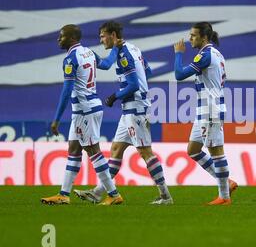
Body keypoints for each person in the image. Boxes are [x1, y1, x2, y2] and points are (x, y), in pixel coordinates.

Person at [73, 21, 173, 205]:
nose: (101, 39)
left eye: (103, 36)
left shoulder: (124, 54)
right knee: (116, 149)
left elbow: (133, 84)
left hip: (136, 108)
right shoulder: (133, 49)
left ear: (112, 35)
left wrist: (115, 96)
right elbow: (147, 70)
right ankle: (98, 192)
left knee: (145, 152)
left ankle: (165, 196)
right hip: (130, 107)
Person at [41, 24, 123, 206]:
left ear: (71, 38)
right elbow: (107, 64)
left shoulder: (70, 59)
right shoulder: (89, 53)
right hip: (89, 108)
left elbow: (66, 91)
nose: (58, 39)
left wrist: (56, 119)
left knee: (93, 151)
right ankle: (63, 194)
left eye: (61, 36)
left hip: (84, 110)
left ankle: (114, 194)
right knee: (74, 150)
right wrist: (116, 48)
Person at [174, 22, 238, 206]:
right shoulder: (215, 53)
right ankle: (227, 182)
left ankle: (224, 196)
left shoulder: (205, 55)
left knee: (216, 151)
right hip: (204, 109)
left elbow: (179, 74)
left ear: (204, 37)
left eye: (193, 35)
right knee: (193, 150)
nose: (190, 38)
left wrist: (178, 53)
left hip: (211, 109)